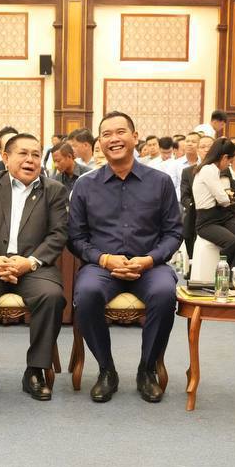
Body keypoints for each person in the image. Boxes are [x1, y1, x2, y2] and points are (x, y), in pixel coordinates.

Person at [68, 111, 182, 404]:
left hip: (150, 265)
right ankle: (106, 369)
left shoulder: (160, 182)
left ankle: (147, 370)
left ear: (135, 137)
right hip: (102, 266)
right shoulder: (85, 185)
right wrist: (104, 259)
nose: (114, 139)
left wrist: (149, 259)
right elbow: (76, 238)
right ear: (99, 142)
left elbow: (174, 232)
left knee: (165, 292)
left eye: (121, 132)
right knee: (87, 292)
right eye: (106, 134)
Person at [0, 133, 69, 401]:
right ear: (6, 157)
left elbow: (58, 234)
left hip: (33, 266)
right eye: (23, 153)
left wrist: (29, 262)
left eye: (35, 154)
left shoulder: (54, 190)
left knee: (51, 297)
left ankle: (35, 371)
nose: (30, 160)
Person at [192, 138, 235, 269]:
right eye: (230, 162)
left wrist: (227, 199)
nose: (228, 166)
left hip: (223, 215)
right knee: (233, 242)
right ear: (225, 157)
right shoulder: (208, 169)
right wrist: (229, 199)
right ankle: (224, 273)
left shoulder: (214, 169)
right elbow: (223, 199)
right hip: (207, 221)